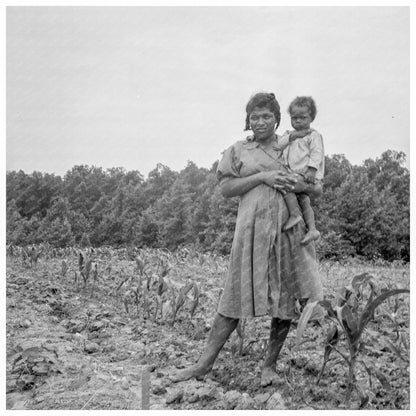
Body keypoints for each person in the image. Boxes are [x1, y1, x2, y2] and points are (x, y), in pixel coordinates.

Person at [170, 92, 323, 387]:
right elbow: (227, 188)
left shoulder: (290, 147)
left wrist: (299, 182)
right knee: (233, 296)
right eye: (255, 116)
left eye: (267, 116)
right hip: (250, 231)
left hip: (288, 230)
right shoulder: (238, 150)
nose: (261, 121)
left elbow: (315, 189)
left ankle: (269, 367)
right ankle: (203, 365)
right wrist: (262, 177)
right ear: (247, 120)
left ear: (278, 119)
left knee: (285, 300)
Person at [279, 96, 325, 245]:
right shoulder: (289, 135)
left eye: (303, 117)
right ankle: (312, 229)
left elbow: (317, 153)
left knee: (285, 185)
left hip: (306, 174)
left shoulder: (313, 135)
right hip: (294, 172)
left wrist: (312, 170)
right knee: (304, 200)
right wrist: (292, 136)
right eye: (294, 118)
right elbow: (279, 145)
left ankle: (294, 215)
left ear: (311, 117)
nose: (298, 121)